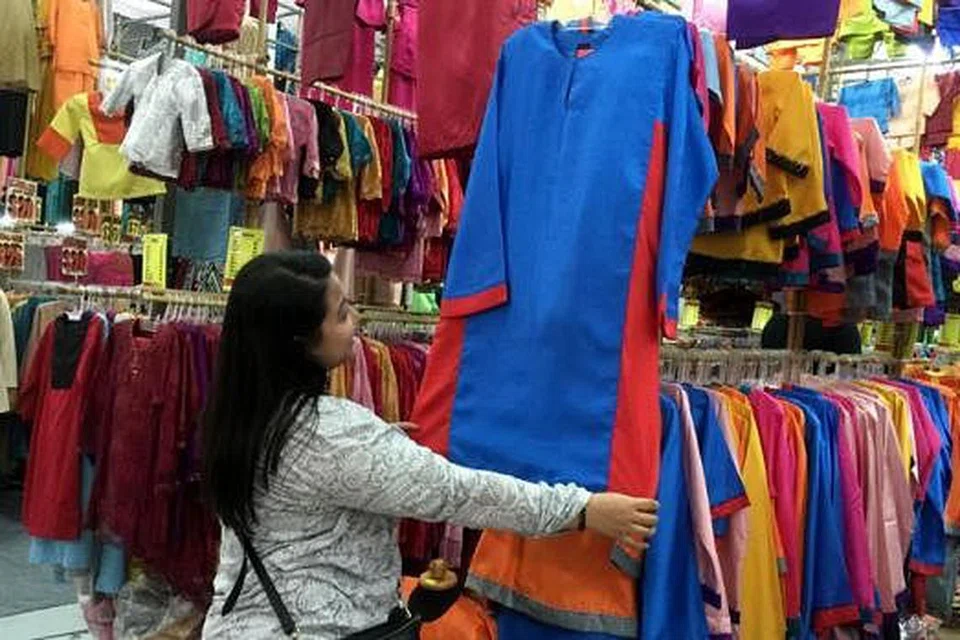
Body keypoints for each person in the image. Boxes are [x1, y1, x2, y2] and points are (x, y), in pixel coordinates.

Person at [200, 252, 659, 639]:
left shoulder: (244, 416)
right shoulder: (333, 433)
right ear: (300, 342)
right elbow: (460, 493)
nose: (356, 320)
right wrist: (582, 509)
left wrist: (378, 447)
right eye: (341, 313)